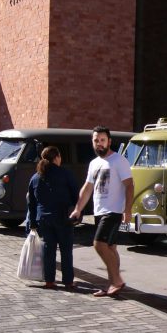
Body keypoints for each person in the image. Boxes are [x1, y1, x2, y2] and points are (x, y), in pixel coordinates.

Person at [70, 126, 133, 297]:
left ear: (109, 142)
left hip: (113, 211)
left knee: (99, 244)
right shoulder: (94, 163)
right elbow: (88, 187)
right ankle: (112, 284)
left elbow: (129, 186)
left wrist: (128, 210)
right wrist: (78, 209)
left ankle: (117, 280)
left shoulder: (119, 161)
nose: (99, 144)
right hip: (99, 211)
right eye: (96, 141)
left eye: (102, 140)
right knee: (111, 248)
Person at [27, 146, 80, 289]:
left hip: (43, 219)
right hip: (63, 217)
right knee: (66, 251)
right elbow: (76, 195)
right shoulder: (65, 174)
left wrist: (32, 222)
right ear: (56, 157)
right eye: (60, 156)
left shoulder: (36, 177)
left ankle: (49, 281)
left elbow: (31, 203)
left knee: (48, 250)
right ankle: (68, 281)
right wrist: (78, 212)